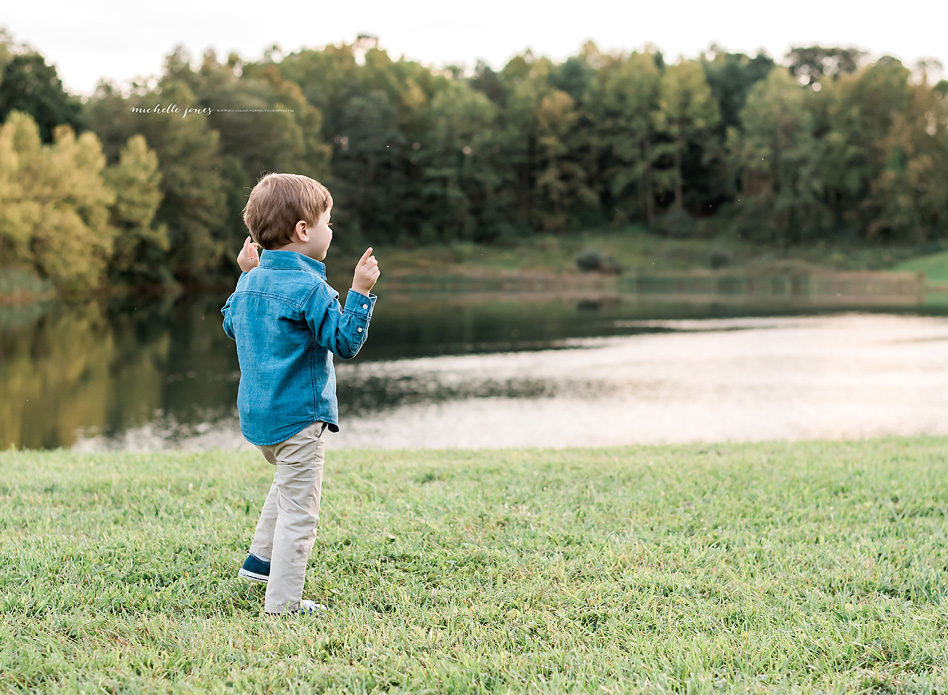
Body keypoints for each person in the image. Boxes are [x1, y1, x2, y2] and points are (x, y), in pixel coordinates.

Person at [221, 172, 380, 615]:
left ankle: (259, 561)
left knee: (285, 484)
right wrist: (361, 292)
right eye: (328, 222)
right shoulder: (312, 288)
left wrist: (245, 276)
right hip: (300, 419)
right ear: (303, 231)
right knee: (300, 513)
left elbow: (231, 325)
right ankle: (283, 605)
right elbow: (346, 341)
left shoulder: (250, 283)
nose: (332, 231)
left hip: (260, 422)